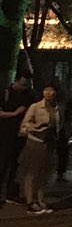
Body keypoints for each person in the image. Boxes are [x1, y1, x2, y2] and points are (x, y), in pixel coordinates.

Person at [18, 84, 63, 215]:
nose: (49, 98)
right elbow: (25, 124)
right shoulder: (36, 107)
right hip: (36, 142)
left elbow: (59, 124)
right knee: (32, 172)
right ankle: (30, 202)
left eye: (51, 96)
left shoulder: (58, 108)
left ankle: (40, 200)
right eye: (47, 96)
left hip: (50, 142)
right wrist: (35, 127)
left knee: (44, 173)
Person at [0, 72, 37, 206]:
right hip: (5, 135)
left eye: (26, 85)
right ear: (15, 81)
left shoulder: (29, 95)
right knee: (2, 165)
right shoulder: (5, 93)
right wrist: (15, 113)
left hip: (21, 136)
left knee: (17, 165)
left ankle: (12, 193)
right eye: (22, 84)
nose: (24, 87)